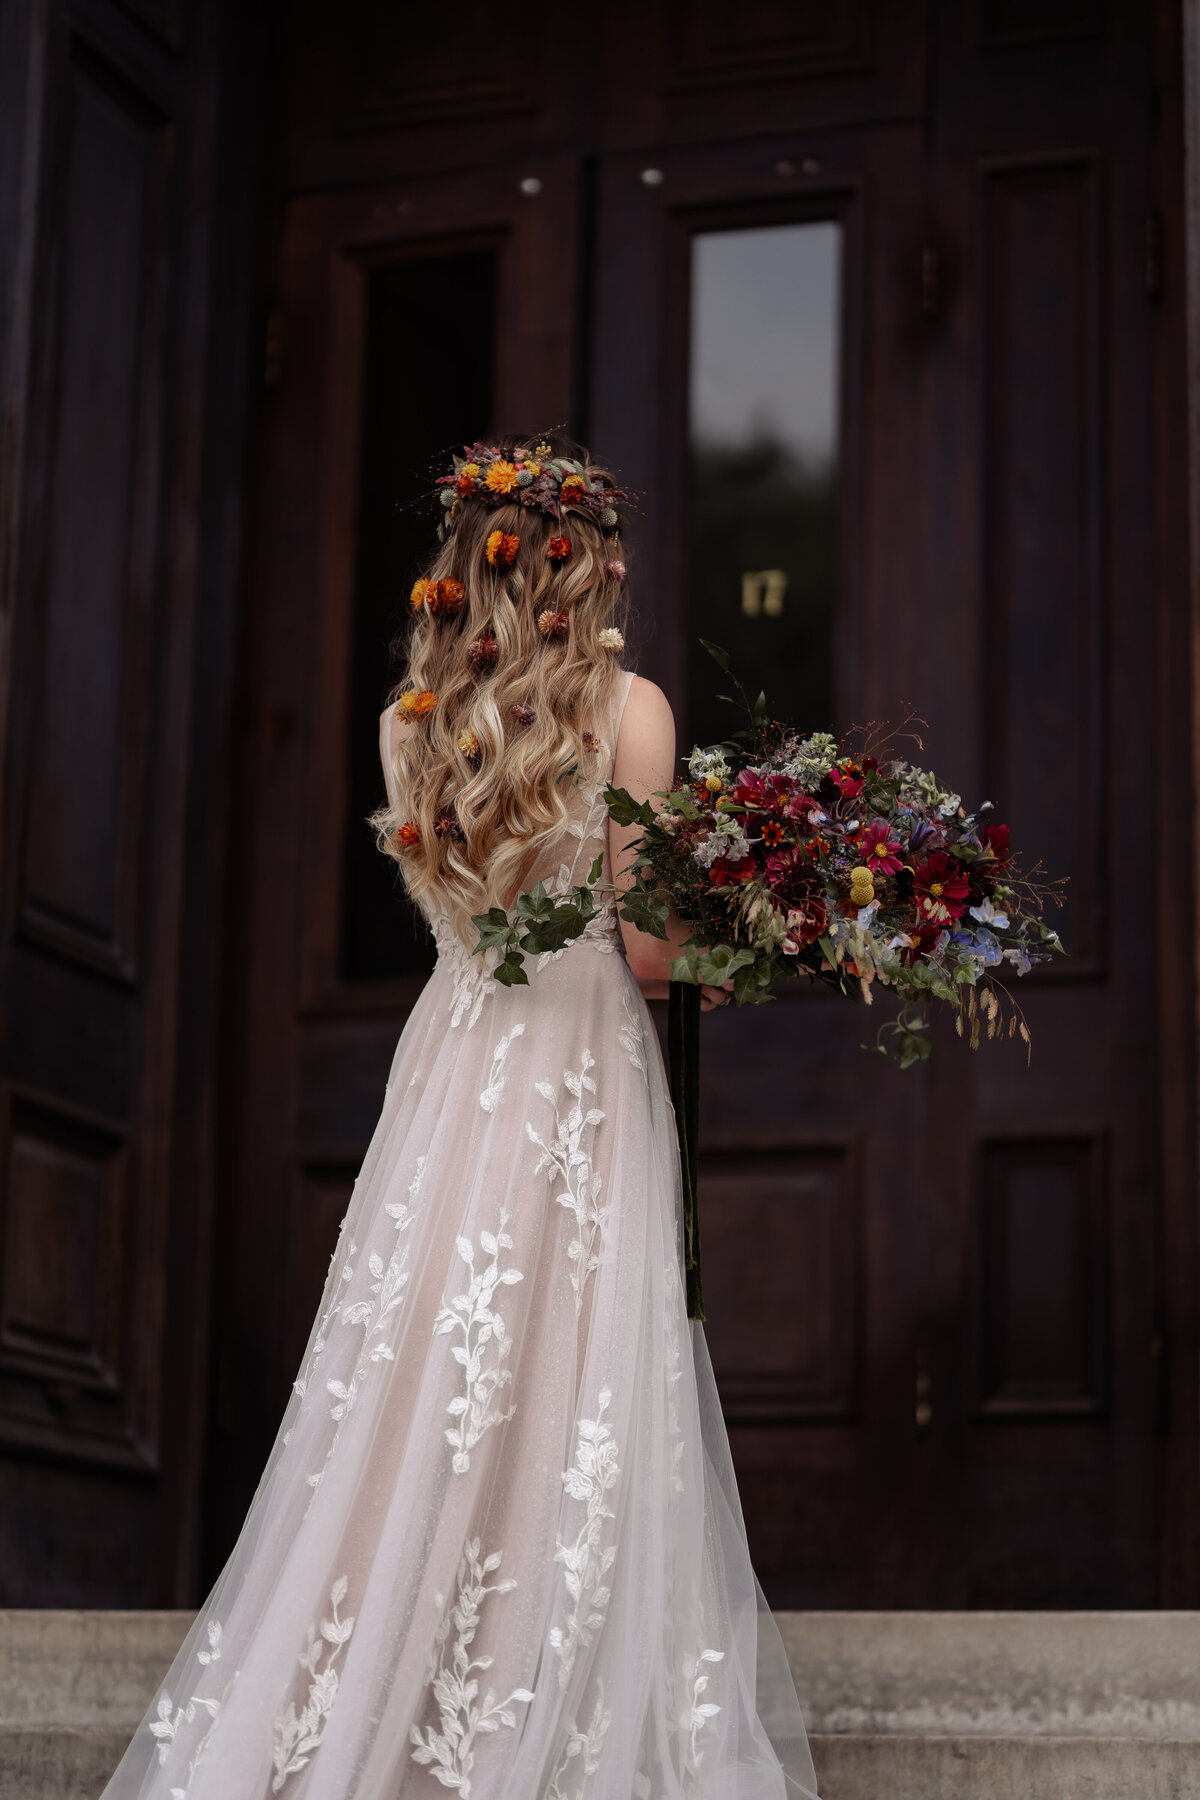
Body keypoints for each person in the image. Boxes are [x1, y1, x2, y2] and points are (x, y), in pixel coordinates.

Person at [99, 434, 820, 1799]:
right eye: (608, 557)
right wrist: (765, 946)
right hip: (584, 1069)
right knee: (566, 1376)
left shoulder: (407, 725)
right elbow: (657, 950)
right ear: (582, 562)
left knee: (427, 1381)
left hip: (456, 1067)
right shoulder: (636, 715)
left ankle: (389, 1694)